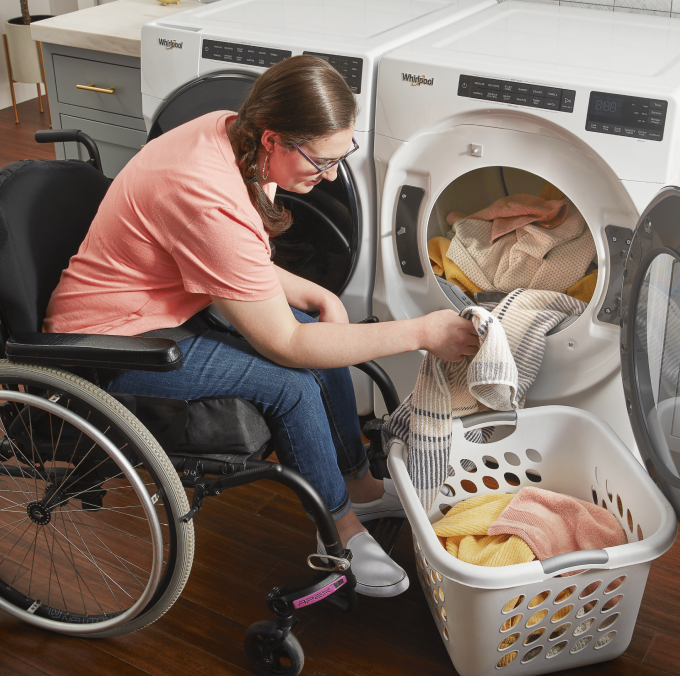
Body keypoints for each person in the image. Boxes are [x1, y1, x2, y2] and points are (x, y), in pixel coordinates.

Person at [44, 55, 478, 597]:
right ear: (274, 139)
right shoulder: (205, 191)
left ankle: (360, 485)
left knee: (320, 337)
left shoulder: (234, 133)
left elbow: (233, 262)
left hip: (171, 303)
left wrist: (316, 293)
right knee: (292, 381)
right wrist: (421, 333)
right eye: (320, 161)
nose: (329, 176)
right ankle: (340, 533)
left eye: (341, 157)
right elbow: (288, 345)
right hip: (112, 341)